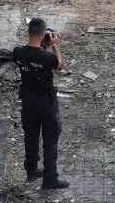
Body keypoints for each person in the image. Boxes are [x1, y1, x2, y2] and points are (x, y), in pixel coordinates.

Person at [11, 19, 70, 190]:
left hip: (27, 100)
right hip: (46, 101)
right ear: (44, 34)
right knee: (50, 139)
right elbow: (59, 65)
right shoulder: (48, 57)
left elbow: (31, 55)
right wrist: (54, 45)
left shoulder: (18, 53)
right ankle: (50, 178)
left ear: (28, 32)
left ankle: (31, 170)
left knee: (31, 136)